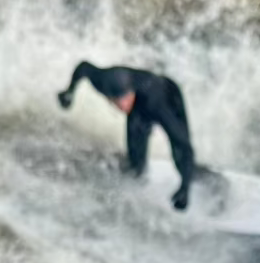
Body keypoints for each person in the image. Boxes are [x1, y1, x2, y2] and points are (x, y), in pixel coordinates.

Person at [57, 62, 196, 210]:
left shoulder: (158, 104)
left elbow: (182, 143)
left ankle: (188, 183)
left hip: (167, 95)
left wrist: (185, 188)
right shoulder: (102, 81)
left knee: (179, 147)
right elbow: (83, 67)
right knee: (135, 161)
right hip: (139, 106)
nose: (122, 105)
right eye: (117, 101)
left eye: (125, 98)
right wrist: (69, 91)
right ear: (109, 96)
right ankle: (138, 189)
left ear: (131, 91)